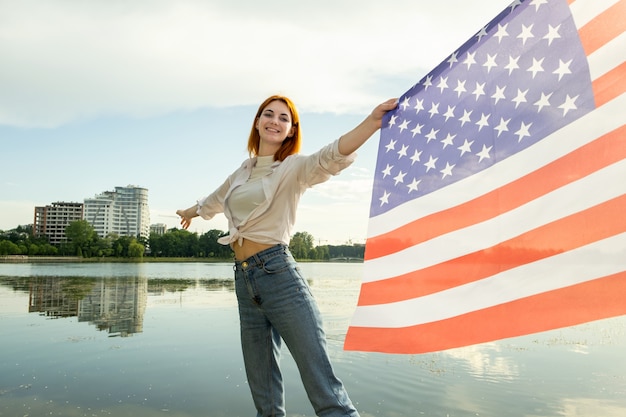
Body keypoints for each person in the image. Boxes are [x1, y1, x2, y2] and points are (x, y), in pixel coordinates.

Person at [176, 94, 397, 417]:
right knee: (264, 399)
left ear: (292, 130)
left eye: (284, 118)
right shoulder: (242, 172)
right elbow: (214, 200)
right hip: (244, 283)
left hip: (279, 277)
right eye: (269, 114)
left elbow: (330, 156)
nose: (275, 121)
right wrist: (190, 211)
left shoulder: (293, 168)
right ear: (257, 122)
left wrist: (372, 122)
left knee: (325, 391)